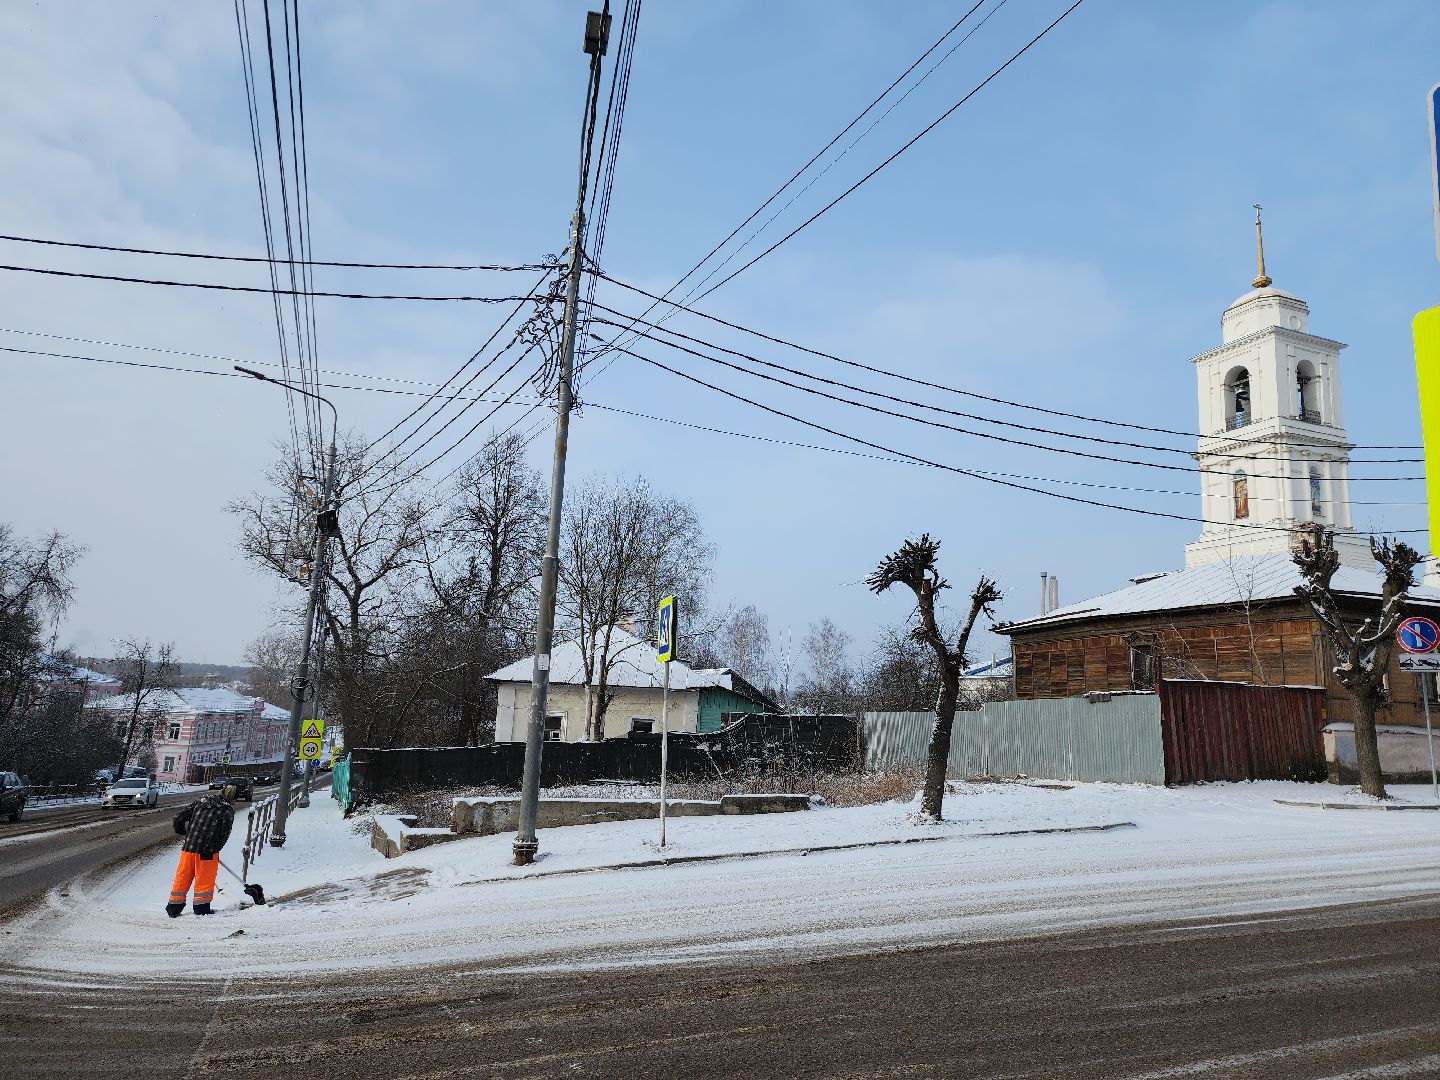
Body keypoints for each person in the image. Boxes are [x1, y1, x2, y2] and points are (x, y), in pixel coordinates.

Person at [167, 784, 237, 917]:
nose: (234, 803)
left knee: (182, 878)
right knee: (204, 882)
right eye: (235, 800)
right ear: (231, 798)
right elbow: (224, 833)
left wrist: (184, 833)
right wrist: (216, 848)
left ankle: (173, 908)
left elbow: (178, 817)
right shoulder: (227, 811)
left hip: (188, 849)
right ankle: (201, 909)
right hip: (207, 852)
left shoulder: (201, 802)